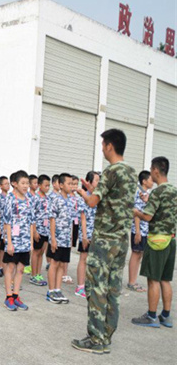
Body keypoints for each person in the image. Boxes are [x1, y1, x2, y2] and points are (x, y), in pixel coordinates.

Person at [71, 129, 137, 354]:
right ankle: (106, 334)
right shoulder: (131, 172)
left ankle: (96, 339)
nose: (102, 149)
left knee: (97, 287)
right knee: (112, 288)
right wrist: (94, 191)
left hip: (105, 240)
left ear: (110, 146)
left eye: (102, 145)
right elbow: (113, 199)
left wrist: (82, 192)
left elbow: (92, 203)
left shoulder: (110, 171)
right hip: (121, 240)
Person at [132, 156, 177, 329]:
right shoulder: (174, 190)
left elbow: (147, 217)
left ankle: (151, 316)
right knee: (165, 279)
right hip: (170, 239)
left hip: (157, 241)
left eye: (151, 170)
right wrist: (148, 201)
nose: (151, 173)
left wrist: (136, 212)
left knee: (153, 280)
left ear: (156, 170)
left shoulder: (157, 192)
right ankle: (166, 315)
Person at [2, 170, 34, 311]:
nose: (26, 186)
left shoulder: (29, 200)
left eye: (27, 183)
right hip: (13, 241)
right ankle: (8, 297)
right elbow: (7, 222)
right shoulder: (10, 199)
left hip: (25, 241)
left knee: (20, 269)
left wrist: (31, 242)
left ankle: (16, 296)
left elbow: (31, 222)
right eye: (23, 183)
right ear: (15, 184)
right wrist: (9, 242)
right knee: (10, 268)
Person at [47, 173, 78, 304]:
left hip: (66, 239)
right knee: (54, 263)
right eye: (69, 183)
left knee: (61, 264)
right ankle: (51, 291)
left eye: (72, 184)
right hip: (57, 238)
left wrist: (70, 239)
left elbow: (72, 221)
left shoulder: (71, 200)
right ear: (61, 185)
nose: (71, 186)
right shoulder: (56, 199)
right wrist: (53, 239)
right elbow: (52, 220)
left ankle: (58, 289)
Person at [126, 170, 154, 293]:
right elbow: (136, 213)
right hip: (139, 230)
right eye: (151, 179)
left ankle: (133, 281)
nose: (153, 182)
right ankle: (131, 282)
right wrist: (137, 232)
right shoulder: (139, 193)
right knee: (136, 254)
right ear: (144, 181)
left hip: (145, 230)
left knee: (139, 255)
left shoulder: (146, 194)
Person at [75, 171, 99, 298]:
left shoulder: (98, 198)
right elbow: (83, 219)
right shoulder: (82, 199)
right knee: (83, 259)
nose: (98, 183)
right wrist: (84, 236)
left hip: (97, 234)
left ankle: (90, 284)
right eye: (96, 180)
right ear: (88, 182)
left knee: (94, 261)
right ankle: (80, 286)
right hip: (86, 233)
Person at [30, 174, 50, 287]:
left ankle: (38, 273)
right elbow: (32, 216)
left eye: (48, 186)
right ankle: (33, 275)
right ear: (39, 185)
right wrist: (34, 231)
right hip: (38, 229)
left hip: (46, 230)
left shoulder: (48, 198)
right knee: (36, 252)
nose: (47, 188)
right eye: (45, 185)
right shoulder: (35, 198)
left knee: (42, 252)